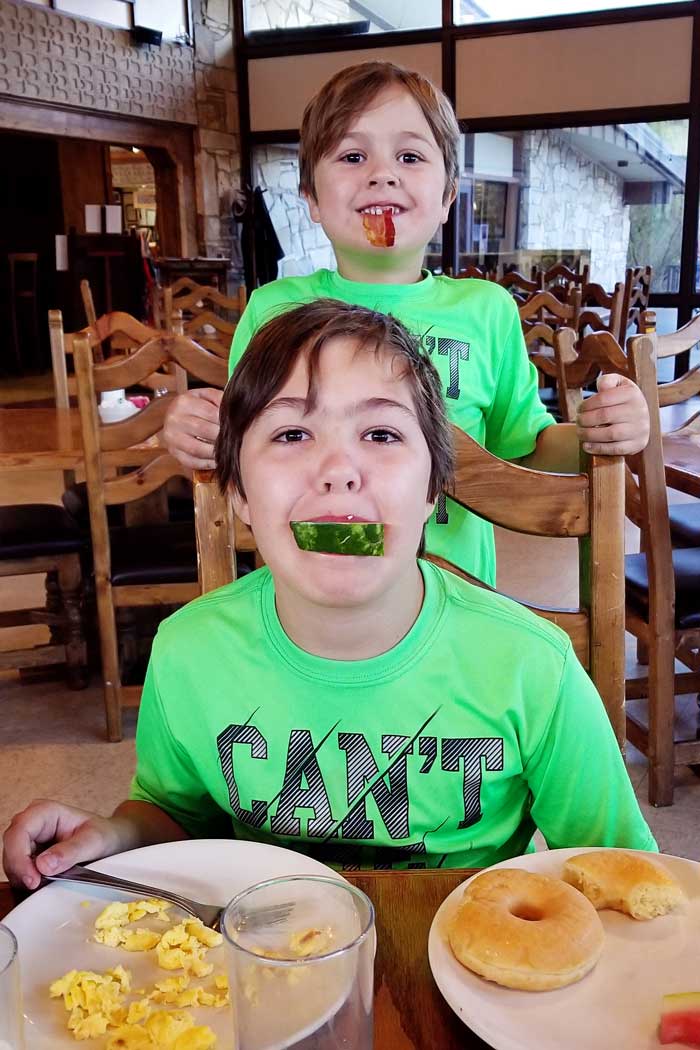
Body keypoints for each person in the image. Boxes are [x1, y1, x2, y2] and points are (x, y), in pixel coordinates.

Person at [3, 301, 655, 885]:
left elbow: (623, 875)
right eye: (291, 434)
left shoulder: (531, 666)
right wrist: (112, 836)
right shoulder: (189, 651)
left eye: (381, 434)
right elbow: (175, 814)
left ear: (433, 491)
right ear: (239, 494)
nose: (339, 471)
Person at [162, 60, 649, 587]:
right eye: (353, 155)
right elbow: (245, 453)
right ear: (312, 200)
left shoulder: (486, 311)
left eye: (410, 156)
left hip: (457, 602)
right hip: (313, 597)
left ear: (447, 196)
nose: (382, 173)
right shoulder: (273, 310)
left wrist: (599, 432)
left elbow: (527, 447)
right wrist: (200, 431)